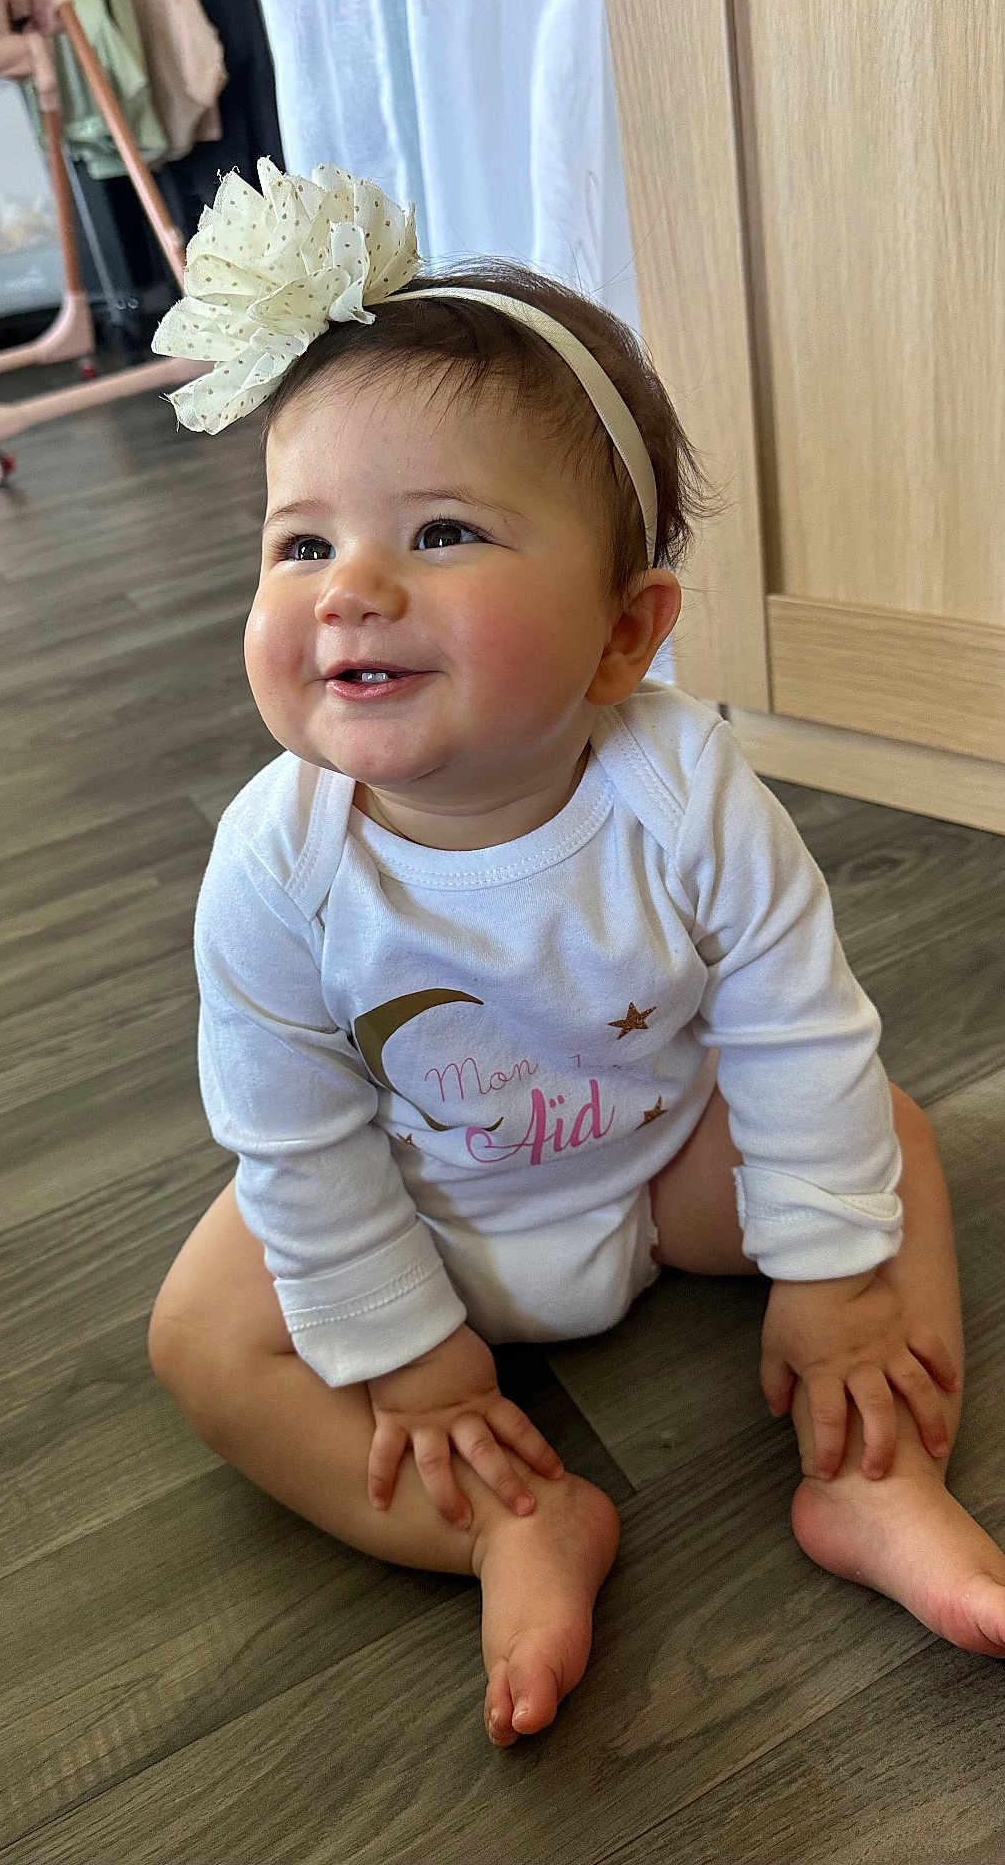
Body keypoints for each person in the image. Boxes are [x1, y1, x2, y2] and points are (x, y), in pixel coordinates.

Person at [147, 162, 1005, 1749]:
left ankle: (871, 1476)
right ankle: (507, 1524)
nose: (352, 589)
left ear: (626, 635)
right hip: (416, 1207)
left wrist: (829, 1280)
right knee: (205, 1340)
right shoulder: (279, 862)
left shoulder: (683, 790)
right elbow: (294, 1131)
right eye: (299, 545)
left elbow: (798, 1027)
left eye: (444, 530)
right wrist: (403, 1352)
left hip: (657, 1168)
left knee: (882, 1135)